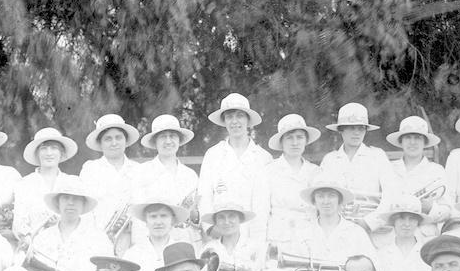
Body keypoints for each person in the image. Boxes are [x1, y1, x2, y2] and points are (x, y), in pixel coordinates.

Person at [294, 175, 375, 271]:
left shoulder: (356, 232)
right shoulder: (301, 233)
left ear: (340, 201)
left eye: (331, 196)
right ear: (314, 201)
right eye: (320, 196)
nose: (326, 201)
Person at [197, 93, 273, 244]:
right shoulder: (213, 154)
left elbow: (264, 206)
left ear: (248, 120)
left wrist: (259, 241)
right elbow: (204, 196)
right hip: (220, 235)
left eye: (240, 116)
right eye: (229, 116)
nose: (235, 121)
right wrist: (211, 230)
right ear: (224, 121)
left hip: (253, 236)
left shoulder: (263, 158)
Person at [30, 175, 111, 271]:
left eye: (76, 199)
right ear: (58, 202)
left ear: (84, 204)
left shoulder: (100, 240)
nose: (71, 203)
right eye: (66, 198)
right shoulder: (42, 237)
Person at [320, 103, 397, 233]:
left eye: (361, 128)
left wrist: (368, 222)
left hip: (373, 231)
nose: (356, 133)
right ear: (341, 130)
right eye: (351, 128)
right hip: (337, 229)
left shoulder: (377, 156)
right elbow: (321, 197)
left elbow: (392, 195)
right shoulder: (330, 160)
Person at [79, 113, 143, 255]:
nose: (114, 143)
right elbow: (85, 211)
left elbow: (142, 211)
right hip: (98, 241)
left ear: (125, 141)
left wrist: (137, 243)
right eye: (108, 139)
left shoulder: (138, 170)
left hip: (132, 242)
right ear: (100, 144)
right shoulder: (90, 169)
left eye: (118, 138)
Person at [258, 114, 321, 255]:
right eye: (289, 138)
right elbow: (261, 214)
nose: (295, 142)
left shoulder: (316, 172)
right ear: (281, 142)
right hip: (279, 241)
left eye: (299, 137)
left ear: (306, 140)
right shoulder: (268, 171)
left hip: (310, 240)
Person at [134, 115, 200, 246]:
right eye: (163, 137)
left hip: (187, 241)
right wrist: (141, 246)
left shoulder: (190, 175)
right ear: (155, 142)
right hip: (155, 243)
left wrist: (195, 214)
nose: (168, 141)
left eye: (172, 136)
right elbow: (138, 217)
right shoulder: (142, 172)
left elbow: (196, 217)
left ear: (179, 140)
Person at [122, 197, 190, 271]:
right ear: (146, 221)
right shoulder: (133, 254)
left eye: (163, 216)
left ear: (172, 220)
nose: (158, 222)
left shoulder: (182, 251)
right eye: (153, 216)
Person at [384, 116, 450, 239]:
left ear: (425, 142)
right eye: (408, 137)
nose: (412, 142)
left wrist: (430, 208)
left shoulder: (436, 170)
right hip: (392, 237)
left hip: (424, 236)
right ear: (401, 141)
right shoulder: (388, 169)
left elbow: (447, 211)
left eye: (418, 138)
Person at [12, 127, 79, 245]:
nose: (49, 153)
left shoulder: (73, 183)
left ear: (61, 152)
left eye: (54, 148)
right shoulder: (25, 184)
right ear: (37, 153)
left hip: (70, 245)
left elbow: (83, 220)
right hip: (35, 248)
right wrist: (32, 240)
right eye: (44, 149)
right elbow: (19, 225)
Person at [374, 196, 433, 271]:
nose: (407, 224)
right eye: (401, 218)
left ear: (418, 222)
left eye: (412, 219)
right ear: (393, 221)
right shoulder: (381, 254)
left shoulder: (430, 253)